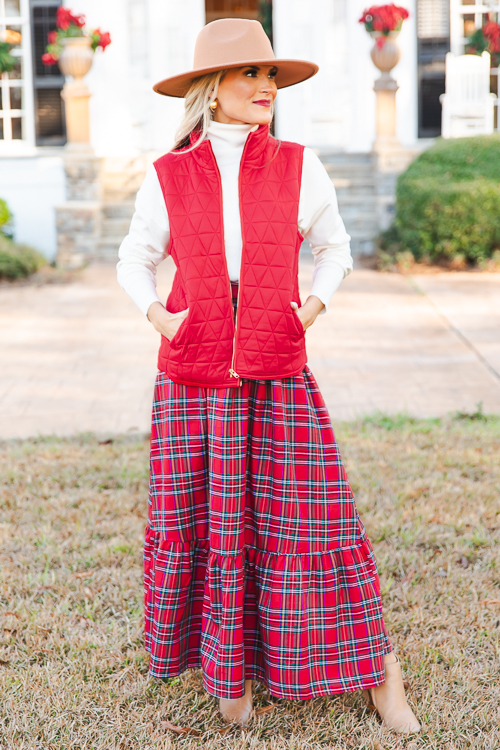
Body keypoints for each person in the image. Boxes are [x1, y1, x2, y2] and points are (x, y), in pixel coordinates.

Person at [116, 17, 420, 734]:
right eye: (250, 74)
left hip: (277, 372)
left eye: (272, 76)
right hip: (194, 382)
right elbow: (134, 257)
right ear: (210, 88)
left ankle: (383, 678)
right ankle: (231, 677)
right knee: (215, 526)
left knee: (314, 522)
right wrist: (160, 317)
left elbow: (335, 248)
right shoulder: (169, 175)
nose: (266, 88)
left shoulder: (297, 165)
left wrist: (306, 310)